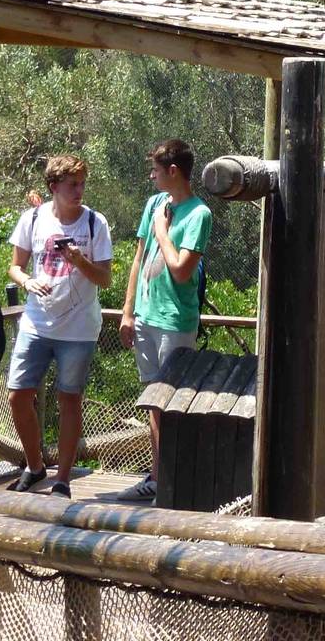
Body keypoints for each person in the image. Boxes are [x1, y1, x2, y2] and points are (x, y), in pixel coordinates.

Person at [5, 156, 113, 498]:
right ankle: (35, 466)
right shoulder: (32, 219)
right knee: (17, 395)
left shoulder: (95, 223)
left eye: (82, 183)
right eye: (72, 185)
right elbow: (15, 267)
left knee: (70, 400)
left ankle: (63, 479)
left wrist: (79, 260)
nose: (79, 191)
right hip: (36, 322)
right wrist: (27, 282)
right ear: (54, 187)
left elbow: (106, 279)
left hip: (78, 328)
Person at [118, 139, 213, 501]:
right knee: (153, 403)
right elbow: (139, 259)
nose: (151, 176)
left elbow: (182, 270)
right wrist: (128, 311)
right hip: (145, 317)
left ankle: (179, 480)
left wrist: (162, 231)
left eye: (156, 170)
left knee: (175, 405)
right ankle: (158, 478)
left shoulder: (199, 214)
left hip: (175, 321)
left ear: (173, 171)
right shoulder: (153, 204)